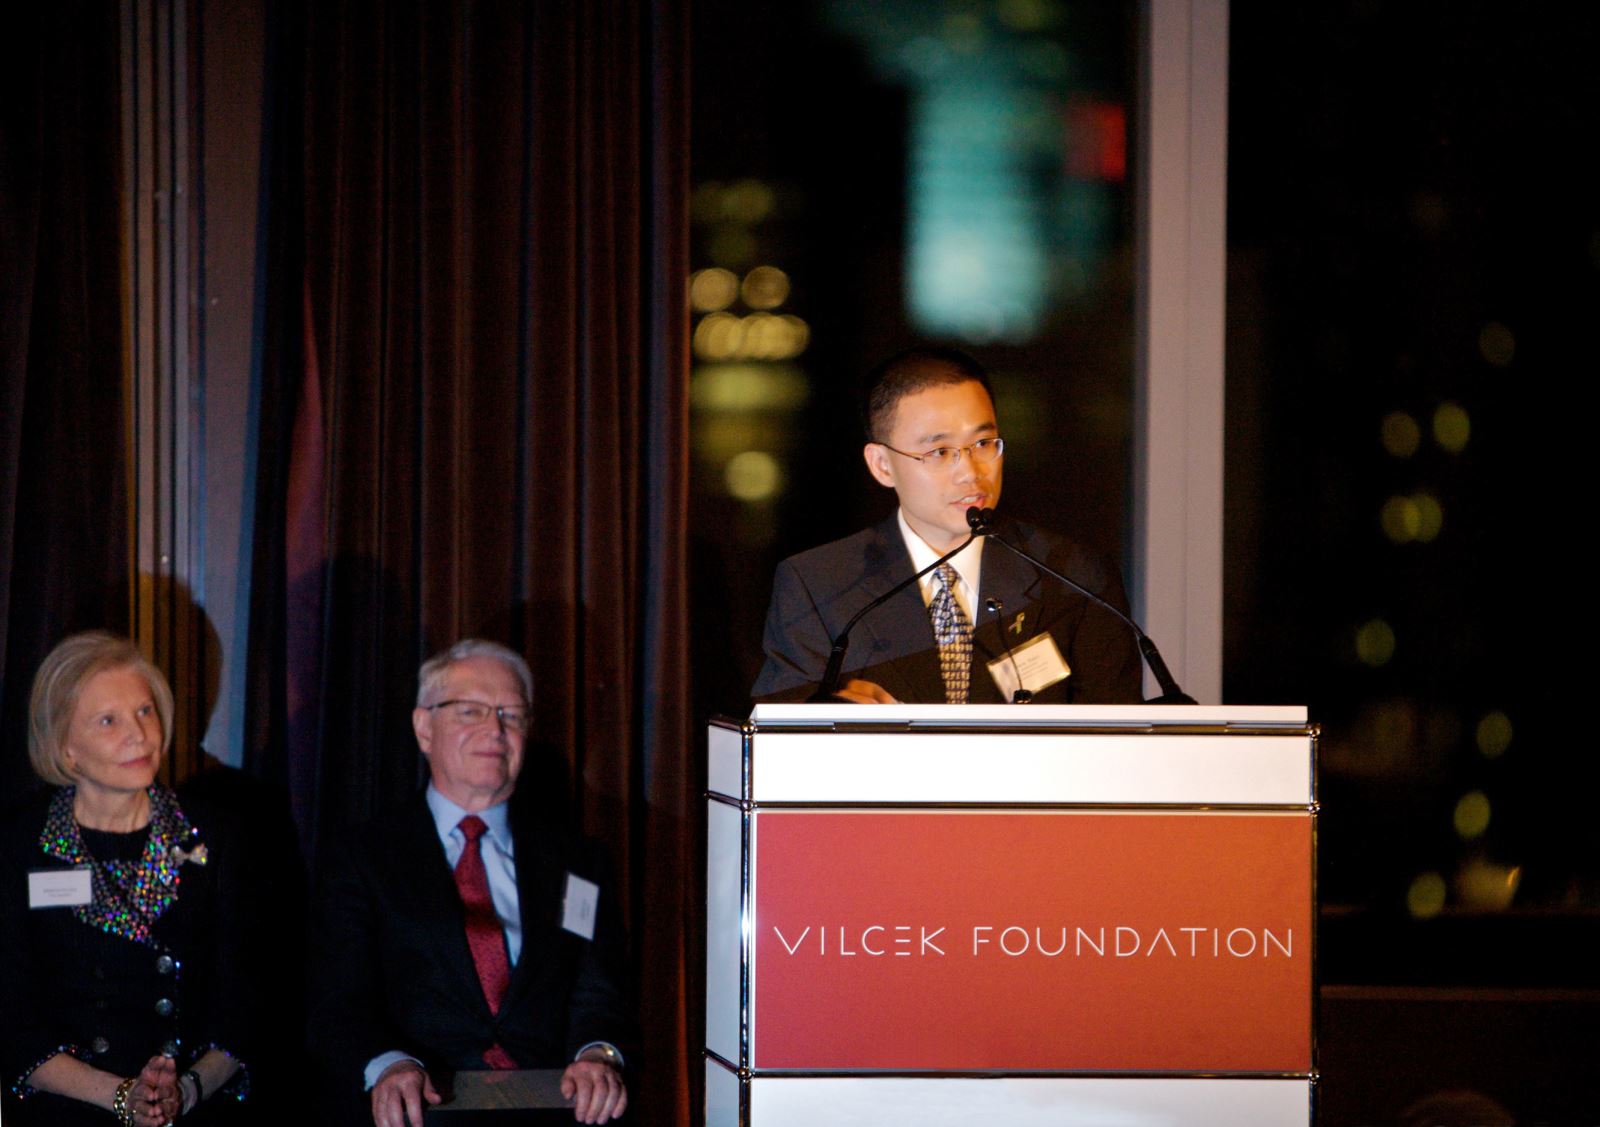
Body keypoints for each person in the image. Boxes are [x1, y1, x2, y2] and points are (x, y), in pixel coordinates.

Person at [308, 639, 632, 1127]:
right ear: (424, 727)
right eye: (470, 711)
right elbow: (338, 998)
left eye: (511, 715)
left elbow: (600, 993)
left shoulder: (578, 864)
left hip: (554, 1112)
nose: (495, 730)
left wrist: (597, 1054)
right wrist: (390, 1065)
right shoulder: (362, 858)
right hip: (417, 1115)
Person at [753, 346, 1144, 704]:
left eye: (983, 444)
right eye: (940, 452)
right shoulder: (818, 585)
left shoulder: (1072, 576)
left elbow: (1115, 739)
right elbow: (782, 741)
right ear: (882, 465)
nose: (970, 472)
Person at [0, 632, 253, 1126]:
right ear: (65, 746)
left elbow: (247, 1004)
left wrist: (183, 1092)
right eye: (108, 720)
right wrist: (121, 1097)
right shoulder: (19, 847)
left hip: (192, 1110)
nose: (138, 734)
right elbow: (10, 1018)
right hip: (69, 1113)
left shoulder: (216, 837)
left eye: (145, 711)